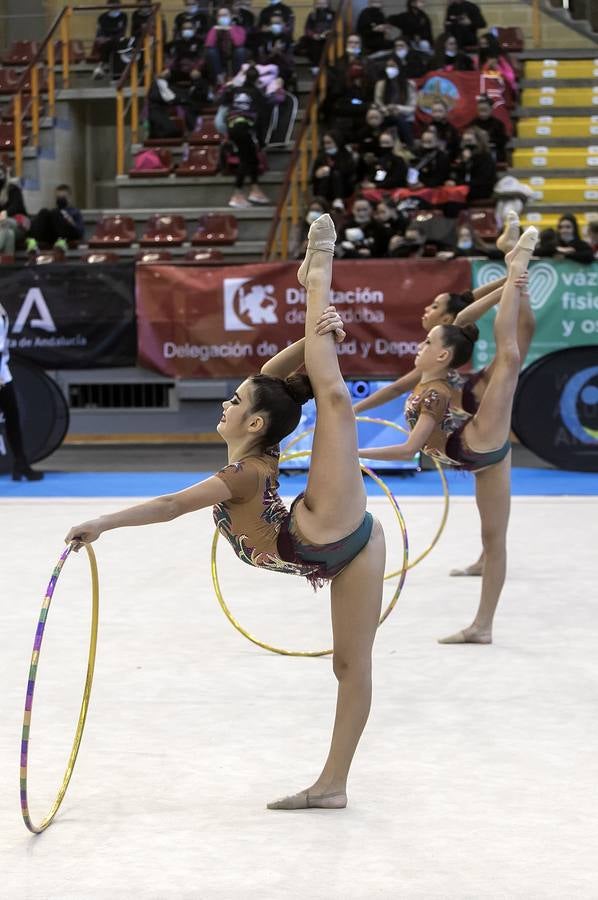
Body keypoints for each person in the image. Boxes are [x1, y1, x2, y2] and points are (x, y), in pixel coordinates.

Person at [66, 214, 386, 811]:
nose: (224, 401)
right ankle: (333, 786)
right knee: (348, 665)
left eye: (233, 401)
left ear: (255, 424)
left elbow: (169, 505)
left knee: (336, 397)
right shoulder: (255, 446)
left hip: (327, 529)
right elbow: (268, 380)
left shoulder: (242, 474)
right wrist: (317, 338)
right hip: (336, 555)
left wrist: (102, 523)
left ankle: (321, 272)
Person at [359, 226, 538, 644]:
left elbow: (408, 450)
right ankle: (515, 264)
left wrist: (356, 453)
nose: (418, 343)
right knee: (492, 539)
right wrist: (352, 412)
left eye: (426, 339)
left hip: (473, 443)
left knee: (510, 356)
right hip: (478, 452)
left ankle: (482, 626)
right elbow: (456, 324)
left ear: (440, 352)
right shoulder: (432, 371)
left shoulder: (437, 387)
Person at [0, 302, 43, 481]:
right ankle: (21, 464)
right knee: (12, 418)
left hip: (3, 373)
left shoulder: (1, 309)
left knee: (13, 419)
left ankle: (21, 464)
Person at [221, 66, 270, 207]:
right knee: (245, 160)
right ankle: (237, 194)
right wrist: (262, 143)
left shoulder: (236, 90)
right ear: (257, 79)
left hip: (232, 127)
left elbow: (225, 102)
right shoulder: (257, 94)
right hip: (242, 129)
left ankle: (255, 190)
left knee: (253, 159)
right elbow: (260, 119)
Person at [28, 185, 84, 251]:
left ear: (69, 198)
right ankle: (33, 242)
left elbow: (80, 232)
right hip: (53, 236)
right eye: (58, 198)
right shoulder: (53, 212)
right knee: (44, 211)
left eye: (63, 198)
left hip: (68, 235)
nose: (61, 200)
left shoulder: (75, 212)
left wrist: (71, 222)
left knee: (55, 213)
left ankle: (61, 242)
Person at [373, 62, 416, 145]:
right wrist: (388, 109)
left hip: (405, 116)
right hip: (386, 115)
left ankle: (409, 145)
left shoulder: (409, 84)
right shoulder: (380, 84)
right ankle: (410, 145)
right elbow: (378, 103)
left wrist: (397, 108)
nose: (390, 69)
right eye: (388, 66)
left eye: (393, 66)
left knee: (400, 119)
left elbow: (412, 108)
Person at [449, 126, 496, 202]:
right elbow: (458, 174)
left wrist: (459, 183)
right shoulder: (462, 156)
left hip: (480, 189)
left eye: (469, 141)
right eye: (465, 141)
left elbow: (482, 180)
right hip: (465, 187)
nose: (466, 145)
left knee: (454, 198)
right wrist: (464, 162)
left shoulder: (485, 157)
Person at [310, 132, 357, 207]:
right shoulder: (321, 157)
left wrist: (331, 169)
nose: (326, 146)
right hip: (325, 187)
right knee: (325, 175)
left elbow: (349, 172)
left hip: (343, 187)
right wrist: (317, 175)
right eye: (324, 143)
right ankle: (321, 201)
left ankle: (338, 200)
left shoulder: (345, 155)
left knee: (336, 174)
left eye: (329, 143)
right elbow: (312, 178)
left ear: (337, 142)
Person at [204, 7, 248, 84]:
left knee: (241, 50)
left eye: (225, 15)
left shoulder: (239, 28)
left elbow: (239, 43)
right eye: (220, 15)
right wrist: (215, 30)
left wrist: (230, 29)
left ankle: (236, 78)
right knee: (210, 51)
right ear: (217, 18)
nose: (222, 17)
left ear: (230, 16)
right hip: (219, 56)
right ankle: (219, 78)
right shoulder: (214, 29)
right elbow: (209, 44)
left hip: (234, 55)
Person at [92, 0, 128, 81]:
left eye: (116, 3)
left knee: (114, 44)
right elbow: (100, 32)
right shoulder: (102, 17)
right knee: (106, 44)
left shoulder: (123, 16)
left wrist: (109, 38)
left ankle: (101, 66)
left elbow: (122, 32)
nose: (114, 5)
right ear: (108, 5)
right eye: (112, 3)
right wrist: (100, 38)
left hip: (117, 40)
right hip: (105, 41)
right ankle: (114, 76)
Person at [467, 94, 508, 164]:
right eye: (480, 110)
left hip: (494, 151)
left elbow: (503, 141)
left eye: (485, 110)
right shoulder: (473, 124)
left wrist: (487, 140)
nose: (482, 113)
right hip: (477, 152)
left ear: (491, 109)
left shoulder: (498, 124)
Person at [0, 164, 28, 260]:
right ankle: (7, 268)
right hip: (4, 229)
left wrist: (5, 213)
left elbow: (16, 207)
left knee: (5, 221)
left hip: (18, 224)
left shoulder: (13, 189)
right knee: (9, 234)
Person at [298, 0, 335, 72]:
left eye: (323, 3)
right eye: (319, 3)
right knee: (311, 44)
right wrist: (313, 35)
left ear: (327, 4)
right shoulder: (312, 15)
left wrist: (327, 33)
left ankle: (327, 66)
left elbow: (335, 27)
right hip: (315, 38)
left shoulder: (333, 14)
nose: (321, 5)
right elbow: (307, 28)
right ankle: (315, 65)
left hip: (328, 37)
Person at [147, 70, 184, 139]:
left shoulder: (166, 84)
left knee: (174, 130)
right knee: (170, 130)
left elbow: (172, 96)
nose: (167, 73)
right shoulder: (155, 84)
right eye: (165, 71)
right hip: (156, 112)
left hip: (162, 112)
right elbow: (155, 96)